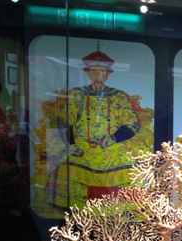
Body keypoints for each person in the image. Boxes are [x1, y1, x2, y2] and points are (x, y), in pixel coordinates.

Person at [45, 42, 152, 211]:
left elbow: (132, 124)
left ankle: (121, 210)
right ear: (88, 73)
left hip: (111, 148)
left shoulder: (119, 97)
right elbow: (64, 122)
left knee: (133, 168)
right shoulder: (76, 95)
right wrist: (72, 144)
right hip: (82, 147)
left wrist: (113, 138)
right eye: (93, 71)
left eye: (102, 72)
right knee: (66, 165)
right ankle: (78, 209)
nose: (98, 75)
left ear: (108, 74)